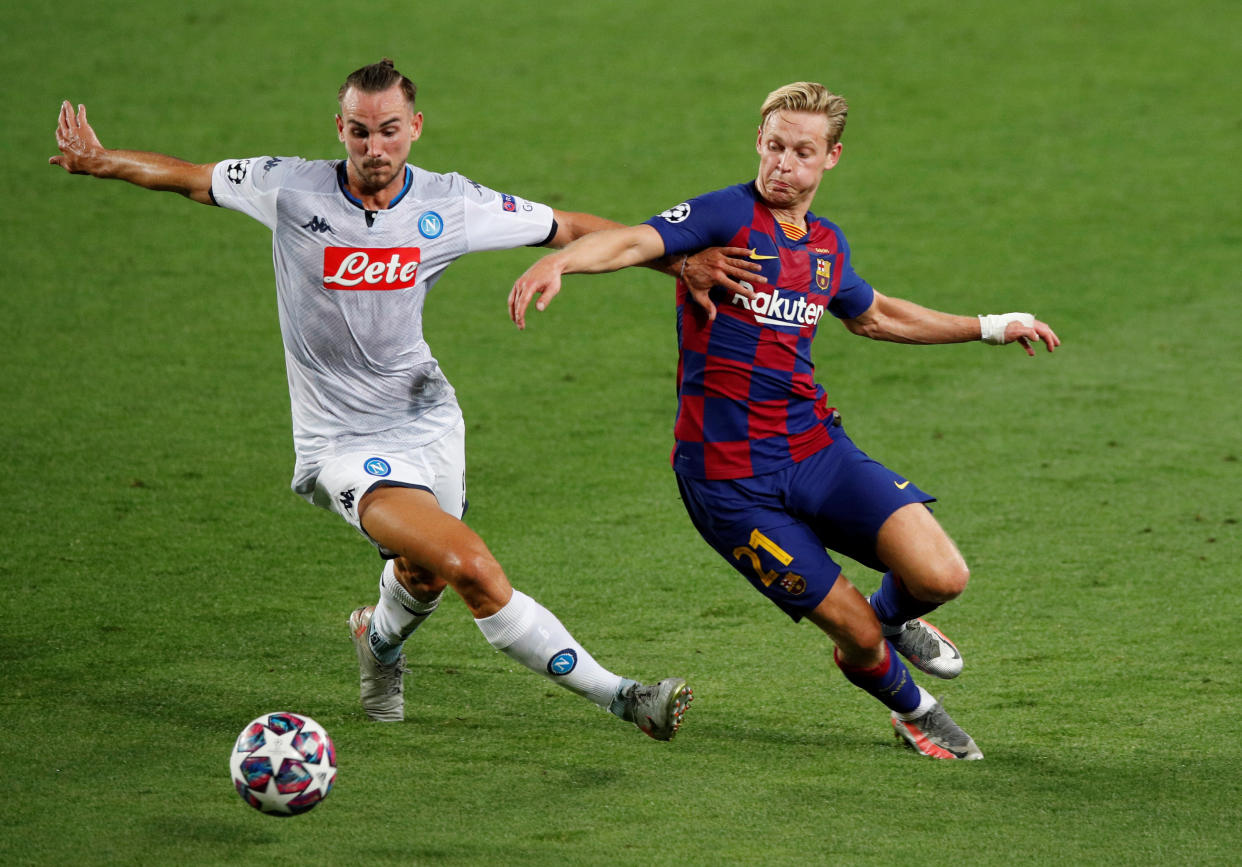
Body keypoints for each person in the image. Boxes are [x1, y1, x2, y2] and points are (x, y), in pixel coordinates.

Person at [48, 58, 758, 740]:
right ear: (339, 129)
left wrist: (682, 258)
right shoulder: (290, 189)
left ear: (415, 127)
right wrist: (100, 159)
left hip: (428, 420)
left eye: (389, 130)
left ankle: (377, 639)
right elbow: (195, 179)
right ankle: (626, 697)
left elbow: (566, 226)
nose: (374, 146)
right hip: (341, 447)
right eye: (359, 130)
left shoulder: (450, 202)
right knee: (471, 566)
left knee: (425, 570)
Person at [509, 81, 1061, 760]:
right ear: (758, 143)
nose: (782, 164)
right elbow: (631, 242)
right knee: (852, 633)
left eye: (802, 151)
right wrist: (567, 259)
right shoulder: (724, 216)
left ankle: (891, 619)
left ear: (832, 157)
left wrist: (990, 326)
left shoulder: (826, 245)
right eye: (773, 146)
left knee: (942, 576)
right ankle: (916, 711)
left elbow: (876, 314)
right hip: (730, 482)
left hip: (813, 447)